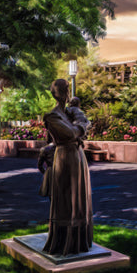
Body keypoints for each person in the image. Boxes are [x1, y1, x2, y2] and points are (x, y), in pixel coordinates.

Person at [39, 79, 93, 256]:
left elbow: (78, 130)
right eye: (61, 90)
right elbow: (70, 133)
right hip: (64, 158)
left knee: (79, 199)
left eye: (66, 89)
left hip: (78, 156)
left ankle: (80, 241)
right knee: (66, 199)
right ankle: (63, 242)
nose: (65, 93)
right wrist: (83, 125)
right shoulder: (51, 116)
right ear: (55, 94)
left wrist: (80, 125)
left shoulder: (70, 113)